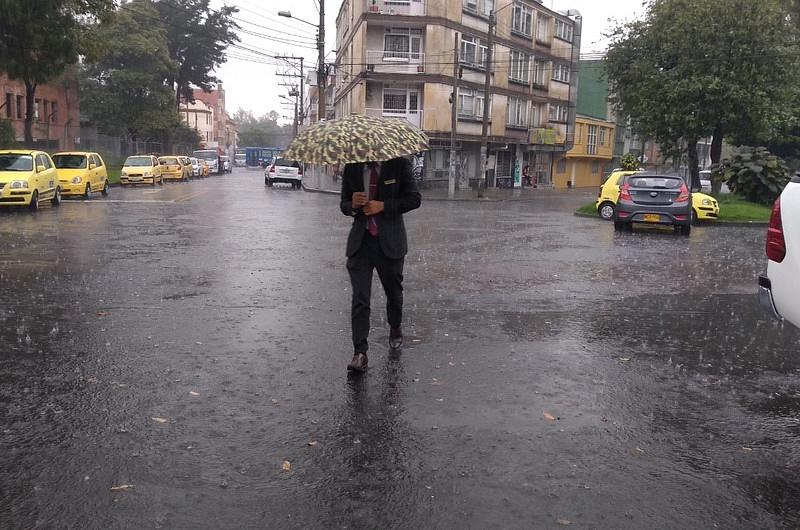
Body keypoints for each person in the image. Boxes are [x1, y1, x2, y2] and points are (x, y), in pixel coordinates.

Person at [340, 156, 422, 373]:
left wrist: (383, 206)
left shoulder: (400, 164)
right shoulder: (352, 167)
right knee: (360, 298)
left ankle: (395, 327)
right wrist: (353, 205)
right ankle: (360, 353)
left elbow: (414, 199)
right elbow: (344, 204)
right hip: (361, 243)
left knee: (394, 294)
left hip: (390, 243)